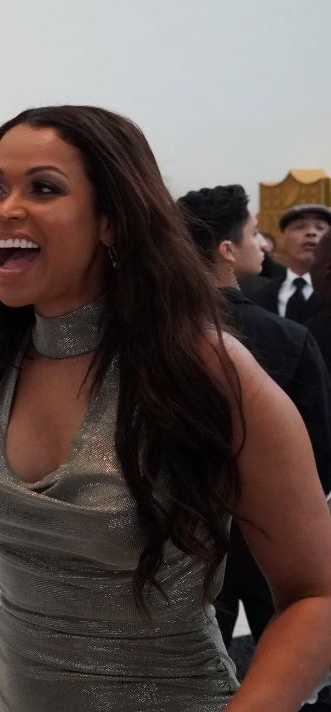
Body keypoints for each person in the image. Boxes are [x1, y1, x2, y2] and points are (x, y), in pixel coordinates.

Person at [0, 105, 331, 710]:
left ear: (111, 219)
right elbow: (27, 546)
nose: (5, 209)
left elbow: (314, 595)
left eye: (43, 188)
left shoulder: (204, 368)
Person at [178, 184, 331, 657]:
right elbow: (319, 453)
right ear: (226, 250)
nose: (261, 244)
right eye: (252, 235)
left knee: (197, 665)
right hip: (273, 535)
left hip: (182, 534)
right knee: (288, 654)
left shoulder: (148, 337)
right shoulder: (286, 336)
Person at [244, 204, 331, 324]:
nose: (311, 232)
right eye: (300, 227)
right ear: (281, 238)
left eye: (320, 228)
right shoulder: (257, 295)